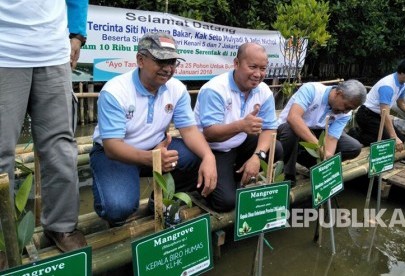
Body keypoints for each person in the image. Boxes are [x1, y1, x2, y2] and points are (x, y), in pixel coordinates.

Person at [90, 32, 217, 226]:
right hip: (116, 155)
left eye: (173, 62)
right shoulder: (115, 91)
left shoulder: (177, 89)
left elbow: (190, 131)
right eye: (160, 61)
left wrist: (209, 157)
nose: (168, 69)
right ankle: (120, 209)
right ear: (140, 60)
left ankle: (157, 201)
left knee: (198, 156)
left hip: (156, 149)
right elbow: (112, 146)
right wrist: (151, 159)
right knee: (117, 207)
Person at [0, 0, 88, 259]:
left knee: (60, 147)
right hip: (4, 51)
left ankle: (61, 227)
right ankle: (2, 240)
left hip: (53, 52)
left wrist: (77, 34)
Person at [194, 42, 283, 212]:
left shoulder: (263, 91)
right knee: (226, 202)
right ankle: (209, 181)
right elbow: (210, 134)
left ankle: (235, 175)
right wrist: (241, 126)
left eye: (263, 68)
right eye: (253, 67)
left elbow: (270, 129)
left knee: (276, 148)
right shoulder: (216, 89)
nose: (258, 74)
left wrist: (257, 156)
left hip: (238, 142)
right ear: (236, 63)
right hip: (212, 149)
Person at [277, 80, 367, 182]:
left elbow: (332, 138)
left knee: (353, 147)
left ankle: (315, 166)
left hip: (317, 136)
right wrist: (320, 148)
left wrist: (326, 161)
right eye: (346, 106)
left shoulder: (345, 113)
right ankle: (288, 175)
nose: (345, 111)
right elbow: (293, 118)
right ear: (339, 93)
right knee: (290, 130)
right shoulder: (311, 90)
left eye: (350, 109)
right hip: (289, 134)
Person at [351, 56, 405, 152]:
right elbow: (385, 114)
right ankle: (356, 135)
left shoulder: (403, 84)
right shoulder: (387, 87)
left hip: (379, 116)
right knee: (389, 143)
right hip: (367, 115)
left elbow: (402, 104)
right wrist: (394, 137)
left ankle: (367, 133)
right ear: (403, 72)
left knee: (402, 139)